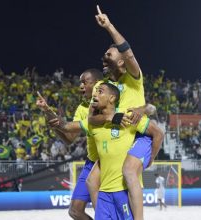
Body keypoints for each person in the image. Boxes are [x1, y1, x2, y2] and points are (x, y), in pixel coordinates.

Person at [86, 6, 160, 220]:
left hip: (137, 136)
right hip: (116, 136)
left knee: (129, 172)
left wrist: (108, 26)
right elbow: (92, 118)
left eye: (109, 54)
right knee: (92, 181)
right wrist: (113, 117)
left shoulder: (133, 78)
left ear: (121, 62)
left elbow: (127, 52)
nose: (104, 56)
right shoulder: (104, 86)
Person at [51, 82, 163, 219]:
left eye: (100, 91)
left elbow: (158, 133)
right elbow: (66, 126)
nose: (95, 94)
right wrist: (47, 112)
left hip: (123, 193)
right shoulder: (92, 123)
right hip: (103, 195)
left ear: (111, 98)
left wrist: (150, 158)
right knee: (90, 182)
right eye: (95, 91)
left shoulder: (128, 116)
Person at [36, 68, 103, 220]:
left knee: (106, 211)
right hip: (91, 163)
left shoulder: (112, 103)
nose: (80, 86)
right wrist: (47, 112)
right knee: (75, 211)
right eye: (80, 82)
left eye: (85, 82)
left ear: (98, 83)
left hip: (110, 163)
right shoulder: (82, 108)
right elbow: (69, 138)